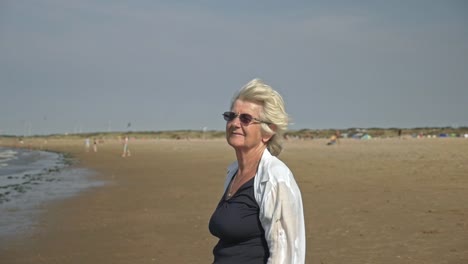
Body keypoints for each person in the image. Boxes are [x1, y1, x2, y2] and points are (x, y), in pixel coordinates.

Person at [209, 79, 306, 263]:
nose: (235, 123)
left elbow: (285, 256)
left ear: (268, 132)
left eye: (245, 118)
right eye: (231, 116)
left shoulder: (275, 178)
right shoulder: (234, 172)